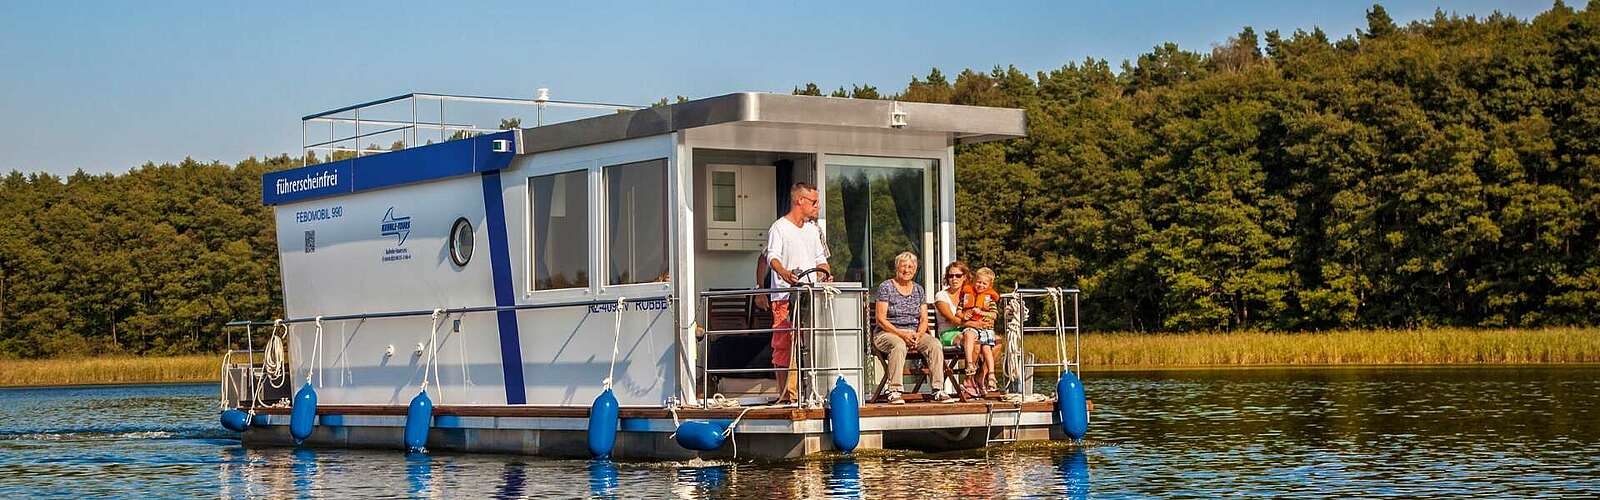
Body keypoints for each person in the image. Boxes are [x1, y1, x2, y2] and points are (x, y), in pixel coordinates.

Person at [765, 182, 830, 404]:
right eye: (814, 202)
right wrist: (784, 273)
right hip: (785, 297)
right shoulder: (779, 228)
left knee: (811, 342)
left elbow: (821, 259)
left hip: (810, 297)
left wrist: (826, 276)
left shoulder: (814, 230)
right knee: (784, 343)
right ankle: (785, 395)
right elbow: (771, 257)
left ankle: (810, 391)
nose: (817, 207)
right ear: (799, 200)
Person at [872, 251, 955, 404]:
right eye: (904, 266)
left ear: (915, 269)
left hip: (914, 333)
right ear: (897, 267)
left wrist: (918, 334)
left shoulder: (918, 289)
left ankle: (938, 389)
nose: (907, 270)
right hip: (888, 332)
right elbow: (881, 319)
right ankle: (894, 390)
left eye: (911, 267)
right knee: (898, 345)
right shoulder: (886, 287)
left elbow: (924, 319)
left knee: (935, 344)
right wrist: (902, 335)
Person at [933, 261, 981, 396]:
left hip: (968, 332)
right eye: (950, 276)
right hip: (948, 333)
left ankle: (979, 379)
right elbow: (952, 320)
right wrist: (972, 324)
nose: (954, 279)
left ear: (965, 277)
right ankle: (969, 379)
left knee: (995, 342)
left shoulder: (969, 295)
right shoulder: (941, 296)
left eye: (958, 276)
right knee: (972, 339)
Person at [968, 267, 1003, 392]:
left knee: (987, 347)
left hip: (985, 330)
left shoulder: (989, 299)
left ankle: (991, 375)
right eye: (978, 282)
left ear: (989, 285)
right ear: (974, 281)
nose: (980, 285)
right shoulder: (968, 296)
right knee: (980, 344)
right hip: (974, 329)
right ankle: (974, 378)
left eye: (984, 283)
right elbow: (960, 313)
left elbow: (994, 315)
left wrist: (981, 313)